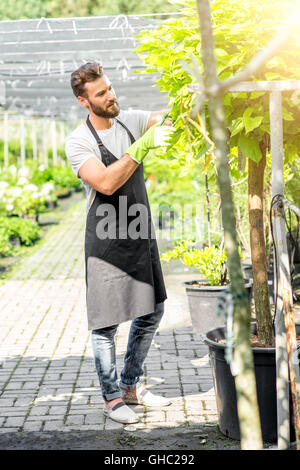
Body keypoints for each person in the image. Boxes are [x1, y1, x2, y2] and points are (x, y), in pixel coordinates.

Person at [65, 62, 176, 424]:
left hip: (139, 232)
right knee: (106, 324)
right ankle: (112, 399)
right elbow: (107, 183)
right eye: (101, 93)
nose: (110, 95)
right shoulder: (79, 141)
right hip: (106, 243)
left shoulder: (131, 120)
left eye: (110, 88)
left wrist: (190, 99)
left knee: (152, 310)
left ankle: (131, 386)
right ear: (84, 101)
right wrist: (142, 146)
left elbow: (168, 116)